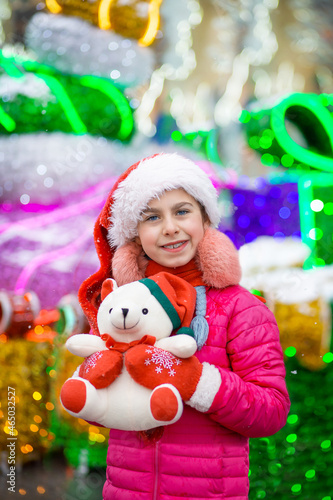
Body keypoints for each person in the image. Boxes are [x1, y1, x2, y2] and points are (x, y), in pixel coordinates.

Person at [78, 152, 290, 500]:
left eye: (182, 211)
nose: (170, 228)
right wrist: (97, 380)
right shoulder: (119, 307)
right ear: (134, 233)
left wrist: (195, 382)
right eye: (152, 217)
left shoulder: (241, 308)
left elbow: (270, 411)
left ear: (205, 217)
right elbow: (99, 415)